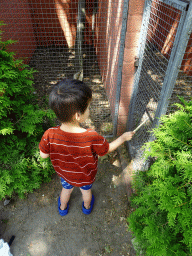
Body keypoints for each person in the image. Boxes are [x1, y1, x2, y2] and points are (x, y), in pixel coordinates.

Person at [39, 78, 134, 216]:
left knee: (65, 190)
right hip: (85, 177)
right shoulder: (91, 136)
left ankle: (63, 208)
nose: (89, 109)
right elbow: (105, 150)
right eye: (88, 107)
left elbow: (43, 155)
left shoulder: (49, 134)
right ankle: (87, 207)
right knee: (86, 192)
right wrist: (123, 138)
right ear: (78, 115)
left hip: (65, 175)